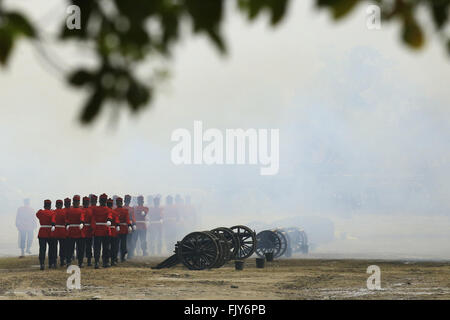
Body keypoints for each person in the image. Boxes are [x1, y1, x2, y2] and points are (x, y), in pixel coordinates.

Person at [91, 193, 113, 268]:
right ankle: (102, 262)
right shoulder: (107, 209)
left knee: (101, 247)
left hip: (100, 229)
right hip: (103, 229)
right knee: (102, 247)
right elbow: (109, 216)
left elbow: (109, 216)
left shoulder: (96, 209)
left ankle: (100, 262)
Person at [65, 195, 86, 267]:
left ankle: (70, 261)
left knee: (71, 248)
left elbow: (66, 219)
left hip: (72, 231)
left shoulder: (69, 210)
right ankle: (78, 262)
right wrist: (82, 222)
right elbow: (82, 218)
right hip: (78, 231)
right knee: (77, 248)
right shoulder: (81, 210)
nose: (76, 203)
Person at [36, 199, 56, 270]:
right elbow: (53, 221)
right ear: (50, 205)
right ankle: (51, 263)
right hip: (50, 232)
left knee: (42, 249)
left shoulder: (40, 212)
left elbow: (37, 215)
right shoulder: (52, 212)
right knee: (52, 249)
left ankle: (42, 263)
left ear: (44, 205)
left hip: (42, 231)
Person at [115, 197, 132, 262]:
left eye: (119, 202)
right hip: (119, 229)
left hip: (122, 229)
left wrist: (129, 225)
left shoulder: (123, 211)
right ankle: (117, 256)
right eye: (118, 202)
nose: (119, 203)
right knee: (117, 244)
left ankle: (122, 256)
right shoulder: (121, 210)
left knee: (123, 244)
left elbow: (127, 219)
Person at [51, 199, 67, 267]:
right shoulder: (64, 212)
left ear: (56, 205)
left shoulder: (53, 212)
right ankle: (62, 261)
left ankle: (54, 262)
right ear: (62, 205)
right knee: (62, 247)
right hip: (62, 231)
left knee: (54, 247)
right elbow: (66, 221)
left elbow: (52, 220)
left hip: (55, 231)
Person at [107, 198, 120, 266]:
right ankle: (112, 260)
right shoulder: (114, 212)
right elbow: (117, 221)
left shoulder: (106, 211)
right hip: (112, 231)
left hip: (107, 231)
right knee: (114, 247)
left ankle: (108, 260)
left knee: (108, 247)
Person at [82, 196, 94, 266]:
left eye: (87, 202)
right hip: (82, 230)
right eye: (85, 202)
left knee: (89, 246)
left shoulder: (90, 210)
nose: (86, 203)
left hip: (88, 230)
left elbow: (92, 220)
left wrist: (92, 228)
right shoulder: (81, 210)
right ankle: (82, 260)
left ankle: (89, 260)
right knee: (82, 247)